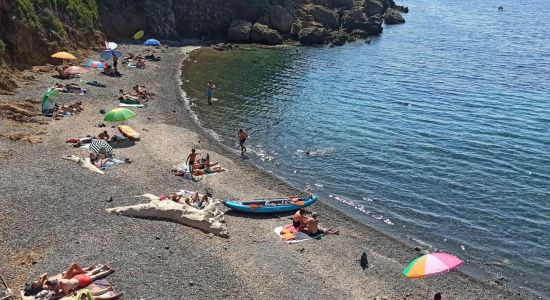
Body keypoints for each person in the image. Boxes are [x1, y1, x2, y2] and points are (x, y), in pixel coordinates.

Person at [23, 263, 114, 297]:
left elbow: (65, 293)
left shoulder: (44, 284)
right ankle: (98, 267)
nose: (37, 280)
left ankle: (103, 270)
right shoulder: (45, 286)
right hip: (72, 280)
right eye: (36, 282)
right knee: (91, 274)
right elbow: (57, 289)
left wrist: (41, 279)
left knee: (93, 276)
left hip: (75, 281)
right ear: (36, 286)